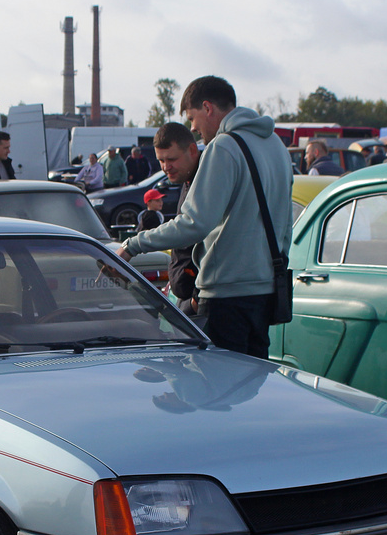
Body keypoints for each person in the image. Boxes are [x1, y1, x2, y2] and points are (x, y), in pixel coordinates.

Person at [119, 76, 293, 358]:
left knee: (218, 393)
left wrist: (133, 245)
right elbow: (285, 224)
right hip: (266, 292)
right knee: (251, 388)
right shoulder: (275, 146)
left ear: (208, 107)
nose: (193, 128)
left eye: (192, 118)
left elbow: (194, 224)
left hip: (226, 296)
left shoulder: (223, 147)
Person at [151, 122, 202, 316]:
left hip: (199, 304)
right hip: (187, 298)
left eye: (171, 159)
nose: (165, 167)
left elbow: (214, 242)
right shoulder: (187, 179)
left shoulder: (204, 183)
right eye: (161, 160)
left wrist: (197, 301)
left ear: (191, 150)